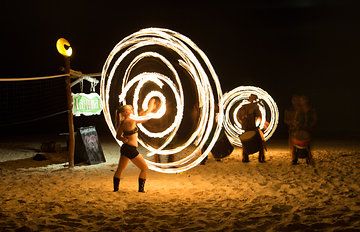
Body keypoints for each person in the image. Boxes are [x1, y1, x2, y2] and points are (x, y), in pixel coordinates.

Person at [113, 98, 157, 192]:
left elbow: (117, 136)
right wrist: (151, 106)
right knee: (144, 168)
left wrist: (123, 139)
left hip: (125, 148)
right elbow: (143, 118)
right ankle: (141, 190)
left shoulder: (124, 122)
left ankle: (115, 189)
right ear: (126, 112)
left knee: (120, 169)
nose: (132, 110)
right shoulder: (130, 121)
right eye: (130, 109)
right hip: (130, 149)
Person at [285, 94, 317, 165]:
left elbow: (313, 119)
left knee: (308, 145)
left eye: (303, 100)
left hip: (306, 129)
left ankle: (308, 157)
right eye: (294, 100)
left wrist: (309, 125)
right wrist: (293, 123)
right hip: (295, 129)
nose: (296, 102)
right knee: (292, 144)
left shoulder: (308, 109)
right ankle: (294, 158)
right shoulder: (292, 109)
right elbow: (288, 119)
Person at [237, 94, 266, 163]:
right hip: (250, 127)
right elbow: (258, 116)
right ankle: (259, 157)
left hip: (249, 127)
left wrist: (244, 121)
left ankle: (250, 158)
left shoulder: (248, 107)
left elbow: (258, 116)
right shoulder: (246, 107)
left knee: (249, 142)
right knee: (256, 142)